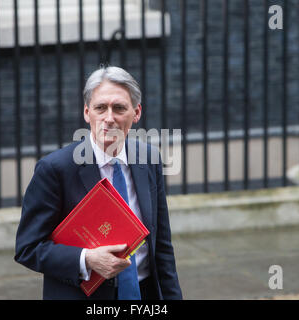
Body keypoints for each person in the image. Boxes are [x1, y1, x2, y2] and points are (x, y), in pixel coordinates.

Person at [14, 66, 182, 300]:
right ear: (87, 112)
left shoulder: (149, 159)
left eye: (119, 108)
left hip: (144, 294)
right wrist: (86, 259)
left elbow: (162, 246)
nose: (109, 118)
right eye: (100, 107)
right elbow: (28, 248)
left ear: (136, 113)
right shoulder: (55, 169)